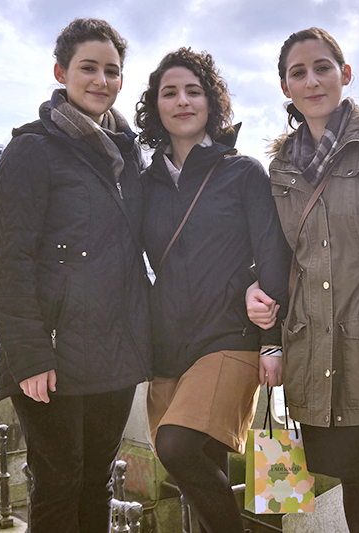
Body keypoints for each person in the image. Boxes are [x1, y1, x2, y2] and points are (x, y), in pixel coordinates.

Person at [245, 27, 359, 533]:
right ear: (285, 87)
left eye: (322, 67)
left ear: (345, 74)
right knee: (354, 484)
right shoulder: (281, 167)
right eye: (297, 72)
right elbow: (280, 262)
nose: (312, 80)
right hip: (316, 354)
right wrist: (268, 339)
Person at [0, 18, 150, 533]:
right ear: (61, 72)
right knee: (57, 485)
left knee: (96, 483)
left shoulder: (127, 156)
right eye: (88, 68)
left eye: (112, 70)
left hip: (113, 355)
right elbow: (9, 264)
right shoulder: (32, 151)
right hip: (52, 357)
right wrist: (29, 357)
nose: (101, 80)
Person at [135, 48, 290, 533]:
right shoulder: (144, 185)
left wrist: (273, 339)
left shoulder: (241, 172)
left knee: (175, 445)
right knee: (205, 469)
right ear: (155, 106)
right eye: (169, 92)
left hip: (230, 336)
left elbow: (272, 254)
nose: (182, 101)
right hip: (168, 346)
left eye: (193, 91)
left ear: (211, 103)